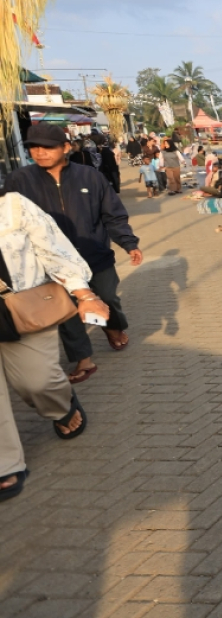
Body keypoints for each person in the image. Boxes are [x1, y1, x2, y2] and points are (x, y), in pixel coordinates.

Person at [3, 123, 143, 382]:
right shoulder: (19, 180)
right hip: (50, 262)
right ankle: (84, 360)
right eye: (33, 147)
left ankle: (113, 327)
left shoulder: (90, 176)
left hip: (95, 254)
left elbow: (112, 213)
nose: (39, 152)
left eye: (47, 147)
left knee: (109, 297)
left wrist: (129, 243)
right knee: (66, 310)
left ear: (66, 147)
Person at [0, 190, 112, 502]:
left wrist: (85, 294)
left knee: (37, 381)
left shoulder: (13, 205)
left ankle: (60, 406)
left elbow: (53, 249)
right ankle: (4, 463)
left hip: (23, 306)